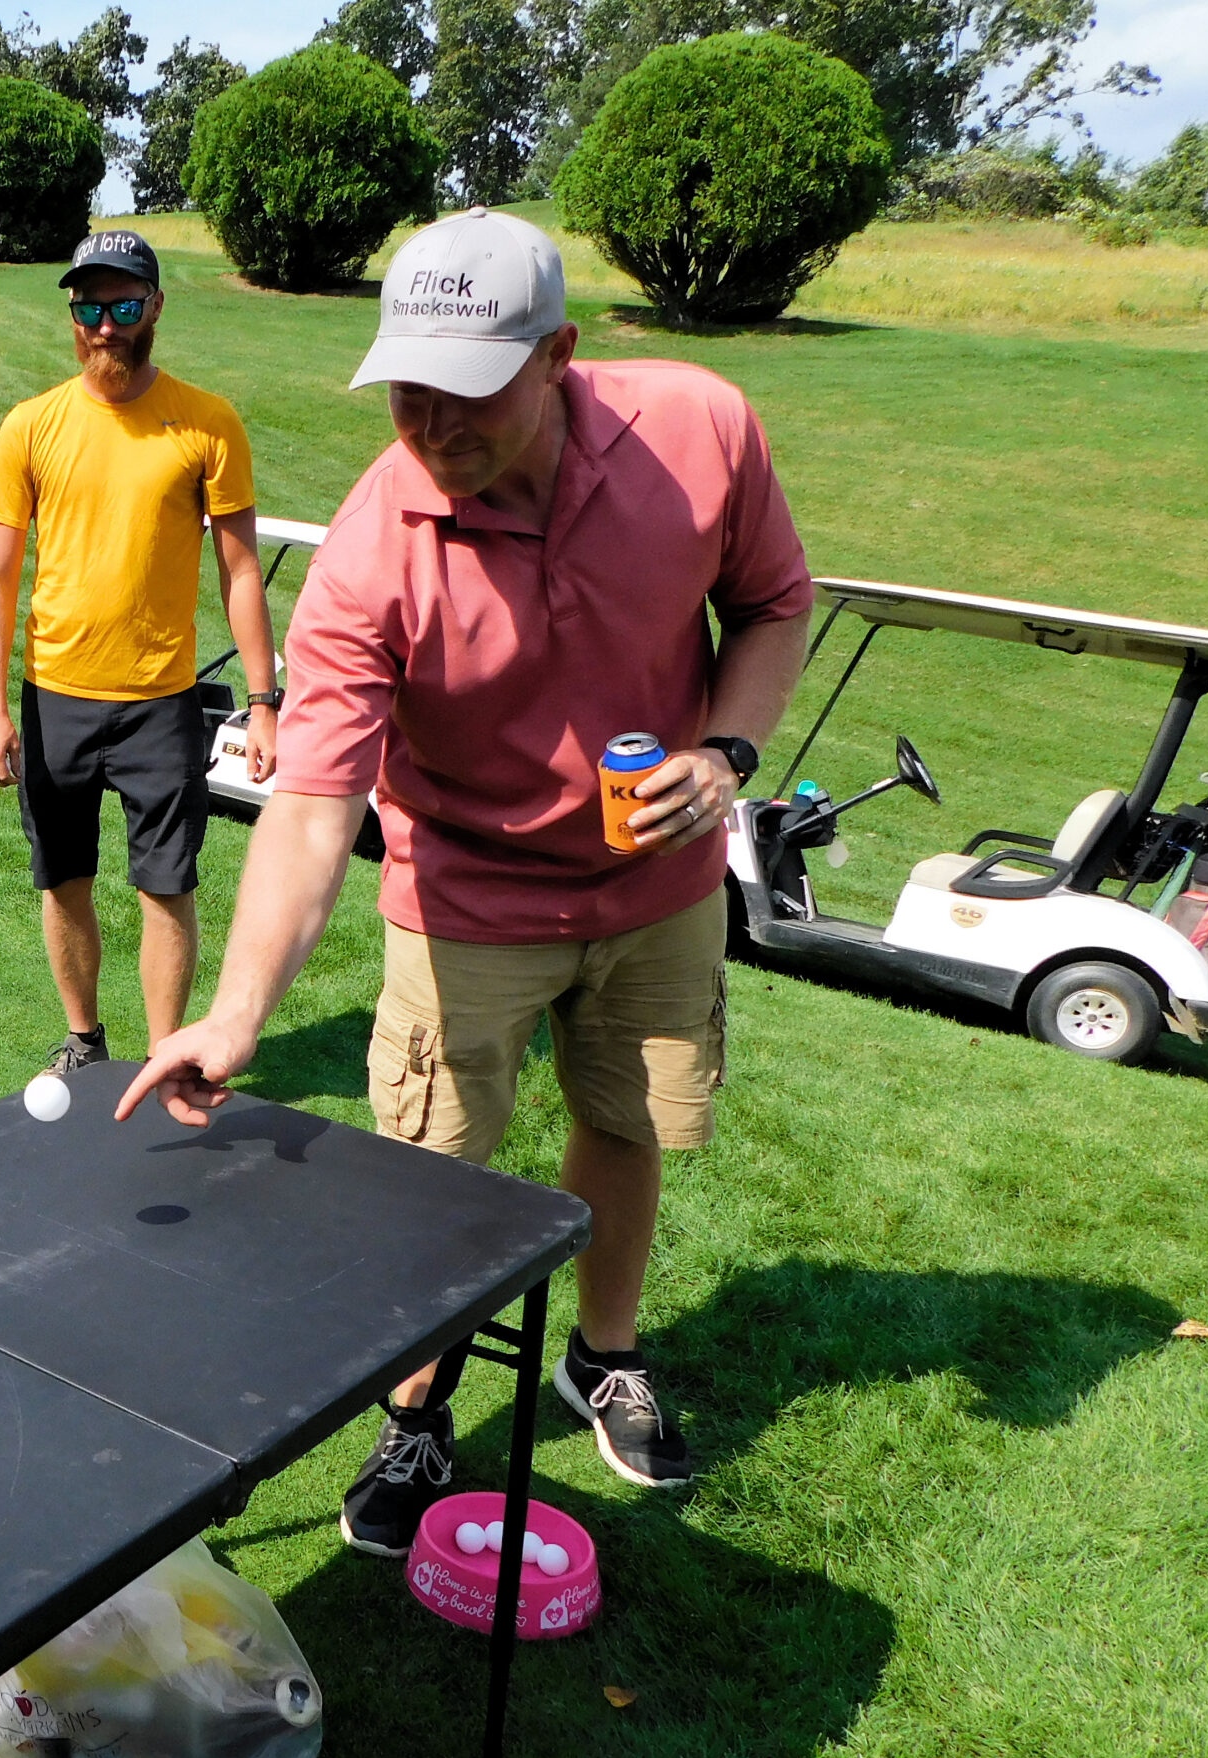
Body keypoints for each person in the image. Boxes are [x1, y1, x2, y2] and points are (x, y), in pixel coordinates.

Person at [118, 208, 816, 1551]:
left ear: (558, 355)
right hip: (466, 902)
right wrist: (238, 1010)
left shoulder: (699, 429)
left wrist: (726, 752)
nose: (432, 427)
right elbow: (312, 807)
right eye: (406, 392)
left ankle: (602, 1355)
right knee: (430, 1180)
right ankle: (417, 1410)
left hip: (658, 889)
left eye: (469, 391)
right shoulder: (369, 556)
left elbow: (774, 603)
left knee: (625, 1122)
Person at [0, 229, 281, 1076]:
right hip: (55, 696)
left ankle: (163, 1058)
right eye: (89, 309)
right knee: (63, 878)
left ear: (155, 307)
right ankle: (84, 1041)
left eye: (124, 305)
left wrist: (263, 702)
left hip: (161, 702)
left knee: (167, 885)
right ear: (72, 316)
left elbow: (241, 573)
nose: (105, 326)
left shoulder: (208, 423)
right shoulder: (30, 426)